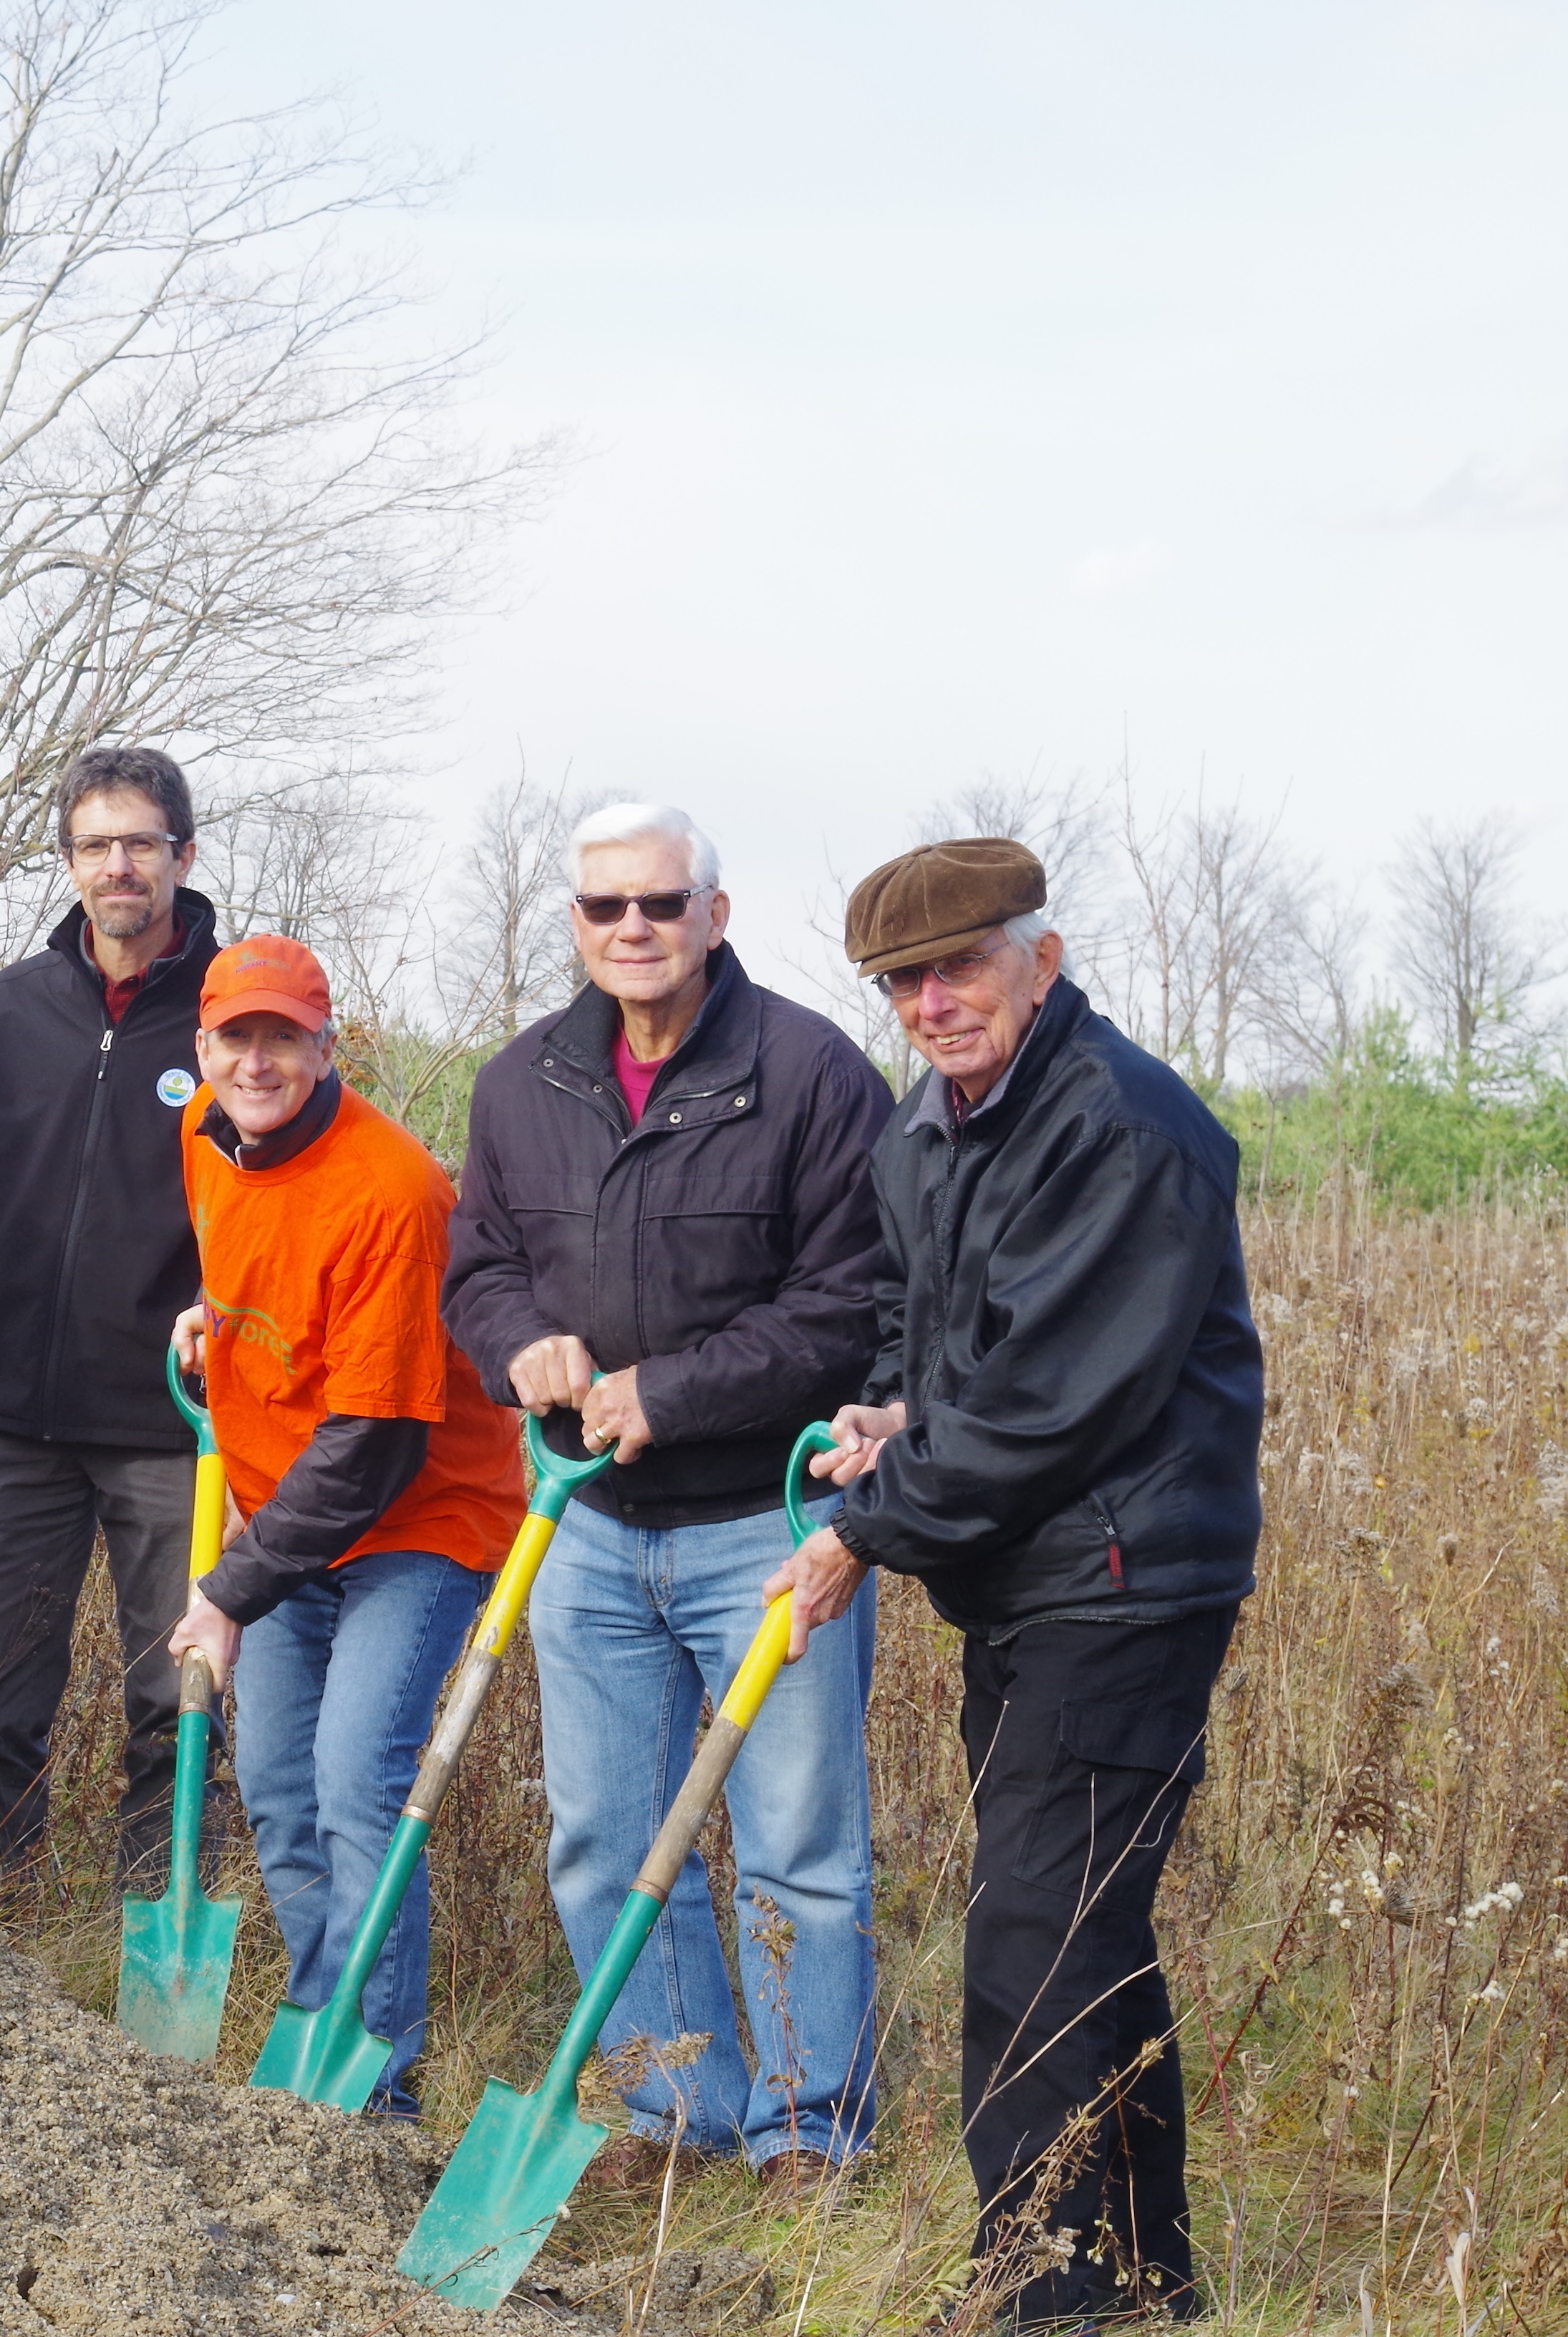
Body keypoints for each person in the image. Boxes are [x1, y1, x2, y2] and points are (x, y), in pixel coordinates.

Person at [770, 838, 1258, 2326]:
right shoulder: (930, 1131)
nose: (930, 999)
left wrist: (868, 1531)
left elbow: (1052, 1396)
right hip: (1026, 1582)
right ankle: (1137, 2279)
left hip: (1121, 1578)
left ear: (1039, 958)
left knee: (1030, 1938)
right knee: (1081, 1928)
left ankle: (1036, 2291)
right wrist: (877, 1416)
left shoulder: (1119, 1126)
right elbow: (920, 1335)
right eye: (902, 981)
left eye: (959, 965)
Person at [439, 801, 896, 2191]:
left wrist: (671, 1391)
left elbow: (852, 1304)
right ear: (572, 924)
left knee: (798, 1850)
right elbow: (478, 1268)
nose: (630, 930)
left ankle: (807, 2130)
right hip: (589, 1528)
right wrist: (520, 1345)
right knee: (601, 1842)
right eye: (602, 909)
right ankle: (670, 2115)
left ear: (715, 912)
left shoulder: (810, 1075)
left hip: (767, 1518)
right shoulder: (520, 1085)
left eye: (658, 903)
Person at [161, 936, 522, 2118]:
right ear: (202, 1048)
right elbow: (265, 1274)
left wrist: (226, 1590)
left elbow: (376, 1442)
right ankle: (326, 2033)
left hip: (418, 1515)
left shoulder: (392, 1191)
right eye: (236, 1039)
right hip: (287, 1513)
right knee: (272, 1785)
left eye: (284, 1039)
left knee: (354, 1780)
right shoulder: (206, 1137)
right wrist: (208, 1316)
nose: (257, 1062)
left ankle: (378, 2084)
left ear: (328, 1048)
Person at [0, 745, 223, 1882]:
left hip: (174, 1429)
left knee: (178, 1705)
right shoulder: (12, 1009)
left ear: (184, 854)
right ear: (70, 863)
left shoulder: (233, 1013)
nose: (119, 865)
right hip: (8, 1424)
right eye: (96, 845)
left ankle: (152, 1959)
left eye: (141, 842)